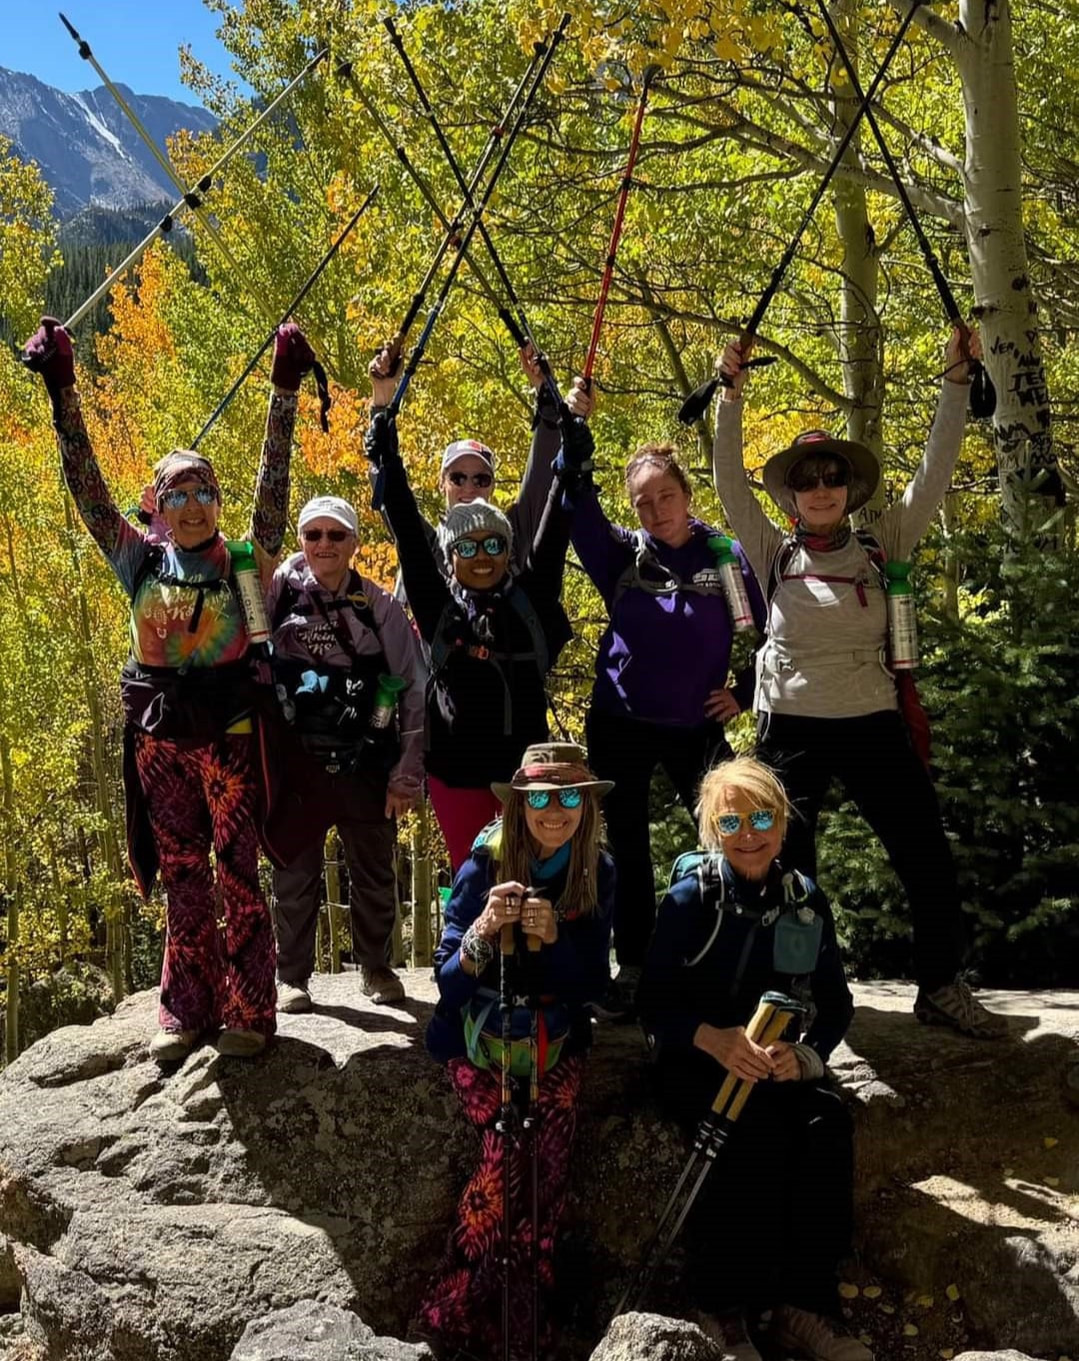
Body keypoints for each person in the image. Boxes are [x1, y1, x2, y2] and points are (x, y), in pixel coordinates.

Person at [23, 316, 316, 1062]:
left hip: (233, 741)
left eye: (203, 492)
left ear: (217, 502)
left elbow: (274, 483)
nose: (191, 506)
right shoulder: (136, 560)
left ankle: (251, 1008)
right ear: (155, 505)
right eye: (175, 494)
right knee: (183, 875)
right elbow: (86, 482)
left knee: (237, 874)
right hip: (158, 744)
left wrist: (284, 390)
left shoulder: (246, 561)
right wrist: (64, 390)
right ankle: (185, 1008)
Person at [712, 327, 1006, 1040]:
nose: (820, 488)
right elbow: (724, 478)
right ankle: (799, 994)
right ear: (789, 492)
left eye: (830, 476)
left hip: (872, 719)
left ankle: (938, 984)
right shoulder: (769, 549)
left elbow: (935, 470)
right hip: (788, 725)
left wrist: (955, 380)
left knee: (925, 856)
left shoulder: (883, 542)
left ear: (848, 486)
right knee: (785, 872)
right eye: (806, 479)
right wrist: (728, 390)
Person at [638, 756, 865, 1361]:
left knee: (827, 1125)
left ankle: (804, 1308)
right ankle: (723, 1311)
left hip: (772, 1062)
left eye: (762, 817)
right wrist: (710, 1037)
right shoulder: (692, 898)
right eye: (732, 820)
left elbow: (837, 1005)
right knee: (751, 1132)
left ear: (783, 824)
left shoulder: (804, 901)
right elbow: (651, 1001)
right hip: (696, 1058)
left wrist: (807, 1060)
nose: (749, 833)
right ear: (712, 828)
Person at [560, 379, 765, 1014]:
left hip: (692, 725)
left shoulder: (723, 556)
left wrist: (746, 691)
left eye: (666, 496)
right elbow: (577, 508)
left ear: (687, 494)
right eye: (643, 502)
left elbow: (767, 632)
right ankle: (636, 966)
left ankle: (727, 955)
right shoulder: (623, 556)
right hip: (620, 720)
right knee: (625, 844)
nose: (656, 511)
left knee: (725, 830)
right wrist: (575, 429)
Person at [416, 741, 615, 1360]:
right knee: (510, 1154)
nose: (555, 812)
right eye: (541, 799)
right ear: (519, 806)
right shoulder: (483, 866)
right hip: (480, 1040)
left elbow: (593, 990)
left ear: (585, 804)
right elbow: (447, 985)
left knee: (544, 1170)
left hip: (553, 1041)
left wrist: (554, 941)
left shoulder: (598, 871)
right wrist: (480, 932)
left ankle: (511, 1311)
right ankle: (465, 1305)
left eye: (569, 798)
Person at [363, 406, 588, 871]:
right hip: (456, 776)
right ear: (451, 554)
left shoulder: (532, 600)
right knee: (473, 885)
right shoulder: (440, 608)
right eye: (467, 547)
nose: (481, 556)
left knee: (533, 882)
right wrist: (387, 460)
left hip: (527, 778)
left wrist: (569, 465)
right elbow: (406, 529)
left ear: (509, 550)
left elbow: (553, 526)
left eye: (493, 545)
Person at [263, 494, 425, 1011]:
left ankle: (377, 969)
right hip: (299, 764)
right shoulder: (277, 596)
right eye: (313, 535)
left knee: (375, 870)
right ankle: (291, 977)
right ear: (301, 542)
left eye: (337, 535)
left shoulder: (379, 606)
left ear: (354, 543)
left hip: (367, 761)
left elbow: (414, 689)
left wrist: (406, 775)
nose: (324, 545)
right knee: (293, 872)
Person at [369, 343, 563, 589]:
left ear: (492, 486)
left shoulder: (514, 536)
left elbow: (542, 476)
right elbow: (389, 488)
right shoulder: (426, 545)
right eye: (458, 478)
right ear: (441, 483)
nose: (469, 488)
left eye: (481, 479)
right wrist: (382, 398)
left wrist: (547, 395)